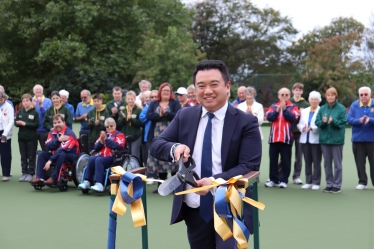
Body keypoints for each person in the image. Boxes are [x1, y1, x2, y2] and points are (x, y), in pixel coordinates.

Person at [149, 60, 261, 248]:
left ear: (227, 87)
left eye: (214, 84)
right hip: (194, 207)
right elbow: (156, 144)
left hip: (231, 206)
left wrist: (215, 181)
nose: (207, 91)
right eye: (201, 86)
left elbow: (249, 167)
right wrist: (175, 148)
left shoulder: (247, 122)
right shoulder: (185, 116)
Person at [146, 83, 181, 193]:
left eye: (168, 90)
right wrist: (160, 115)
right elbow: (149, 116)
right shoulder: (154, 103)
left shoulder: (175, 103)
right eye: (164, 90)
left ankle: (175, 186)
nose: (166, 92)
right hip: (157, 135)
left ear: (171, 92)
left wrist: (166, 113)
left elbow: (178, 114)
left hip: (171, 134)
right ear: (160, 92)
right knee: (159, 159)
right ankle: (161, 185)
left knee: (173, 158)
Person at [29, 114, 79, 185]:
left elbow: (62, 149)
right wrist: (58, 140)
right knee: (41, 154)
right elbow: (48, 146)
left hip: (71, 156)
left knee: (62, 154)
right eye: (55, 123)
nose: (57, 124)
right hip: (56, 154)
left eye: (59, 122)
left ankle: (53, 178)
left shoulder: (69, 134)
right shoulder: (52, 132)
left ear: (64, 122)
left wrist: (50, 161)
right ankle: (39, 177)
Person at [78, 118, 126, 192]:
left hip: (113, 157)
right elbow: (95, 147)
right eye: (107, 127)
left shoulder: (119, 135)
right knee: (92, 158)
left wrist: (106, 140)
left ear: (115, 125)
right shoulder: (103, 135)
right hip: (102, 156)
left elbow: (118, 146)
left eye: (111, 126)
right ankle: (87, 181)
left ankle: (99, 184)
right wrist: (100, 142)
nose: (109, 128)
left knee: (98, 160)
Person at [315, 87, 347, 194]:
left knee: (337, 165)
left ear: (336, 96)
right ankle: (329, 184)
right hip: (324, 140)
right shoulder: (322, 108)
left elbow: (342, 123)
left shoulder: (341, 108)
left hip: (337, 140)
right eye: (328, 95)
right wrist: (323, 122)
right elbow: (317, 122)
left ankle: (337, 185)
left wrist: (333, 121)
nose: (330, 97)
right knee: (327, 164)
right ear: (326, 96)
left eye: (332, 95)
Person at [265, 88, 298, 188]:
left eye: (286, 95)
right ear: (278, 96)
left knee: (286, 161)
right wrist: (277, 110)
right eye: (282, 95)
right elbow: (269, 117)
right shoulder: (273, 106)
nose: (284, 96)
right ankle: (273, 180)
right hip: (274, 138)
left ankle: (284, 180)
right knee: (273, 161)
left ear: (289, 96)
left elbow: (293, 118)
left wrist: (284, 110)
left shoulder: (293, 107)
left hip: (286, 139)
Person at [347, 86, 374, 190]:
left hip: (372, 140)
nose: (363, 97)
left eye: (365, 94)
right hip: (358, 139)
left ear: (370, 95)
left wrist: (370, 120)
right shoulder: (354, 105)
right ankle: (362, 182)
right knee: (360, 162)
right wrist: (359, 121)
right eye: (361, 95)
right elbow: (349, 119)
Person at [297, 91, 322, 190]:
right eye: (312, 99)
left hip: (316, 140)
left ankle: (316, 182)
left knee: (316, 162)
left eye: (316, 99)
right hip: (304, 139)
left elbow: (320, 125)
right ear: (309, 100)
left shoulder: (321, 110)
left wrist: (313, 128)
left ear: (319, 101)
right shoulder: (304, 111)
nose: (314, 101)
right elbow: (299, 124)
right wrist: (302, 127)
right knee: (307, 161)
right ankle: (308, 181)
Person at [15, 93, 39, 182]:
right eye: (24, 101)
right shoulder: (20, 111)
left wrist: (26, 124)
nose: (25, 103)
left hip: (31, 138)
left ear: (31, 101)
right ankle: (24, 173)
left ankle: (30, 173)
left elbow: (36, 124)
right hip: (21, 138)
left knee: (31, 156)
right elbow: (15, 122)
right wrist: (18, 123)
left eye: (27, 101)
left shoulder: (35, 112)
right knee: (23, 156)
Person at [290, 83, 310, 185]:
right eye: (296, 90)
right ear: (293, 91)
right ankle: (279, 174)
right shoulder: (289, 102)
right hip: (289, 132)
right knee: (286, 155)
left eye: (299, 90)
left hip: (300, 133)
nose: (298, 92)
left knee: (299, 155)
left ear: (302, 92)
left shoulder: (305, 104)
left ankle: (296, 176)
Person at [118, 90, 143, 161]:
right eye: (128, 99)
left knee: (135, 155)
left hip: (136, 136)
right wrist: (123, 119)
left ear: (135, 99)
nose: (130, 101)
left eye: (131, 99)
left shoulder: (138, 110)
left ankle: (136, 171)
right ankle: (127, 171)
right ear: (126, 100)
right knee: (126, 156)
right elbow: (119, 124)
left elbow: (140, 124)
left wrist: (131, 119)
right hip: (125, 136)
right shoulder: (123, 110)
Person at [140, 90, 157, 180]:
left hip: (160, 134)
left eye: (155, 97)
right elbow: (141, 117)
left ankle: (157, 175)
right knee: (149, 156)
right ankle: (151, 175)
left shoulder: (161, 105)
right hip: (148, 134)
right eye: (152, 97)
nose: (153, 99)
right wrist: (151, 116)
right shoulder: (148, 107)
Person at [33, 84, 52, 151]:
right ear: (33, 92)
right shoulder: (31, 101)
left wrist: (41, 106)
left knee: (45, 150)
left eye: (40, 90)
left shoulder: (48, 101)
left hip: (44, 130)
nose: (38, 91)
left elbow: (47, 115)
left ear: (43, 91)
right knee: (32, 151)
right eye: (36, 90)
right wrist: (33, 106)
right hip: (33, 130)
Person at [0, 91, 14, 181]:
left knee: (5, 153)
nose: (0, 101)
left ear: (4, 98)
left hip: (5, 132)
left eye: (1, 99)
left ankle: (6, 173)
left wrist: (5, 134)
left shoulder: (8, 106)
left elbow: (11, 121)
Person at [75, 90, 95, 154]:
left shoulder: (95, 104)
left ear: (89, 96)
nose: (83, 99)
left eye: (85, 97)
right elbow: (76, 119)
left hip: (94, 130)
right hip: (83, 130)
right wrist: (82, 117)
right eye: (82, 97)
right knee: (84, 150)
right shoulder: (79, 105)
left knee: (93, 150)